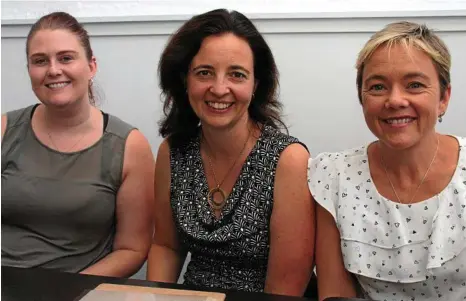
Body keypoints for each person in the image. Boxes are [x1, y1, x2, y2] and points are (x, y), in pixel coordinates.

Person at [147, 8, 314, 296]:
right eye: (204, 73)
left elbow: (285, 289)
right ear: (185, 80)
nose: (219, 88)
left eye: (236, 74)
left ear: (255, 85)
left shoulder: (288, 159)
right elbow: (166, 246)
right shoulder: (172, 151)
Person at [309, 21, 466, 301]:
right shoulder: (333, 176)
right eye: (378, 87)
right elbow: (335, 295)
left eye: (414, 85)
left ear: (443, 98)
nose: (395, 100)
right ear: (362, 98)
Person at [1, 11, 154, 277]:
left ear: (91, 66)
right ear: (29, 71)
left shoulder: (129, 146)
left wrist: (70, 290)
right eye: (40, 61)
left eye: (66, 58)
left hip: (78, 291)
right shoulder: (4, 130)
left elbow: (132, 250)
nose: (53, 70)